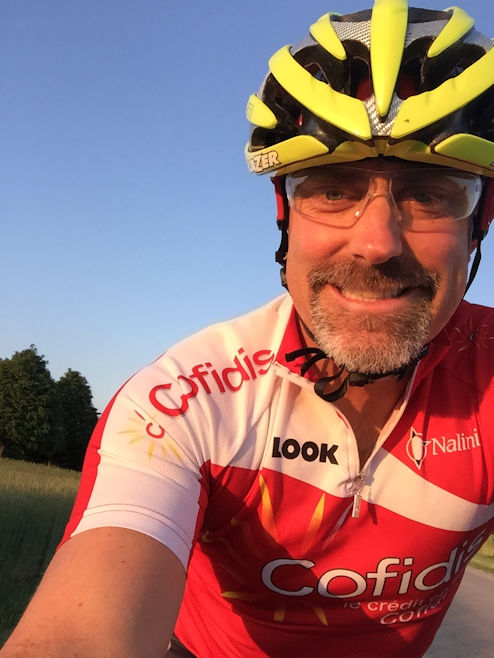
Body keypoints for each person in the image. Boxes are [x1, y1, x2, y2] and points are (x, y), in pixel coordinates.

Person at [2, 1, 494, 656]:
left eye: (429, 194)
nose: (377, 243)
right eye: (334, 189)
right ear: (284, 213)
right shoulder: (184, 400)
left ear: (481, 221)